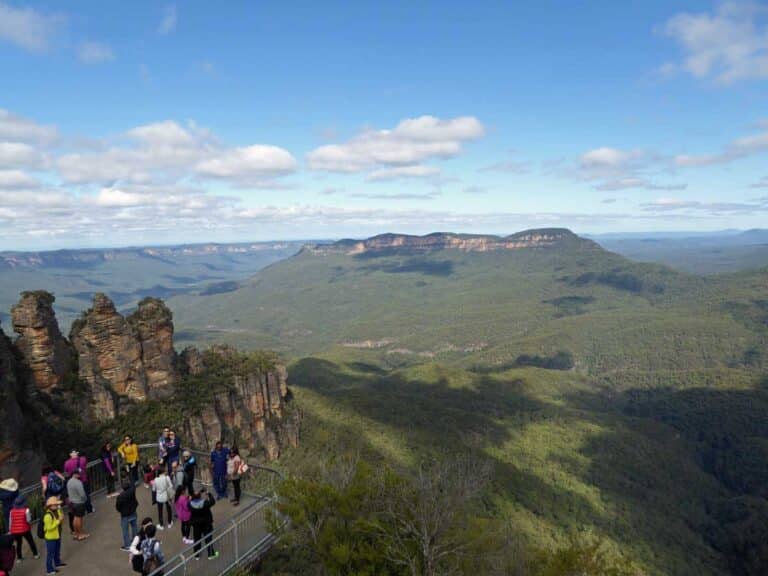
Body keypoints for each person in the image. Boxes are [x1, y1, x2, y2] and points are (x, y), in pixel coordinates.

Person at [189, 488, 219, 560]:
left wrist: (191, 498)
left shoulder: (190, 505)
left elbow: (188, 502)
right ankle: (211, 554)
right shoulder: (205, 503)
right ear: (200, 496)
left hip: (196, 524)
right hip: (206, 523)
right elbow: (212, 501)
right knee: (208, 538)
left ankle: (197, 555)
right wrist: (208, 493)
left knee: (197, 539)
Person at [8, 495, 38, 561]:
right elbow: (28, 520)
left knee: (19, 544)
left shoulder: (11, 511)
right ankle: (35, 554)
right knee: (30, 541)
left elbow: (10, 521)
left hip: (15, 531)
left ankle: (19, 558)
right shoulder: (26, 510)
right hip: (25, 529)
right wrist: (30, 515)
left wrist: (10, 530)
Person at [42, 496, 66, 576]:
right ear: (50, 506)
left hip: (57, 535)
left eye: (57, 504)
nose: (57, 506)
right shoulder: (47, 516)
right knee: (50, 554)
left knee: (57, 551)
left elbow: (61, 517)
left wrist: (60, 513)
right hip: (50, 538)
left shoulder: (56, 510)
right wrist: (58, 521)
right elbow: (49, 528)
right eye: (55, 505)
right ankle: (49, 570)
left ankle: (57, 563)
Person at [64, 449, 92, 513]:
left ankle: (81, 510)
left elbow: (66, 470)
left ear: (70, 454)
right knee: (86, 495)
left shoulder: (67, 463)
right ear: (77, 453)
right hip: (83, 480)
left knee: (76, 497)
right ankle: (89, 509)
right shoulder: (83, 459)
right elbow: (85, 464)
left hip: (73, 482)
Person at [116, 480, 139, 551]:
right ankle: (135, 542)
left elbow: (118, 507)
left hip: (125, 515)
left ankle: (128, 545)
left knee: (125, 530)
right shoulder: (132, 491)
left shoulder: (120, 496)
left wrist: (121, 511)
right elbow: (133, 485)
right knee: (134, 526)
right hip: (133, 511)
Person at [66, 470, 89, 540]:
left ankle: (76, 534)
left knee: (75, 518)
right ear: (75, 474)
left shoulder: (69, 482)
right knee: (79, 519)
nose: (80, 475)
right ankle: (81, 534)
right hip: (79, 503)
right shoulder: (78, 483)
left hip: (72, 503)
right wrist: (85, 499)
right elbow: (82, 494)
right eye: (79, 474)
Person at [153, 466, 174, 531]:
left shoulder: (155, 480)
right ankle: (170, 523)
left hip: (159, 497)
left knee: (160, 511)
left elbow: (154, 489)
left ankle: (161, 525)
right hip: (166, 496)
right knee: (169, 509)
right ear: (163, 472)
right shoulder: (167, 478)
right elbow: (171, 486)